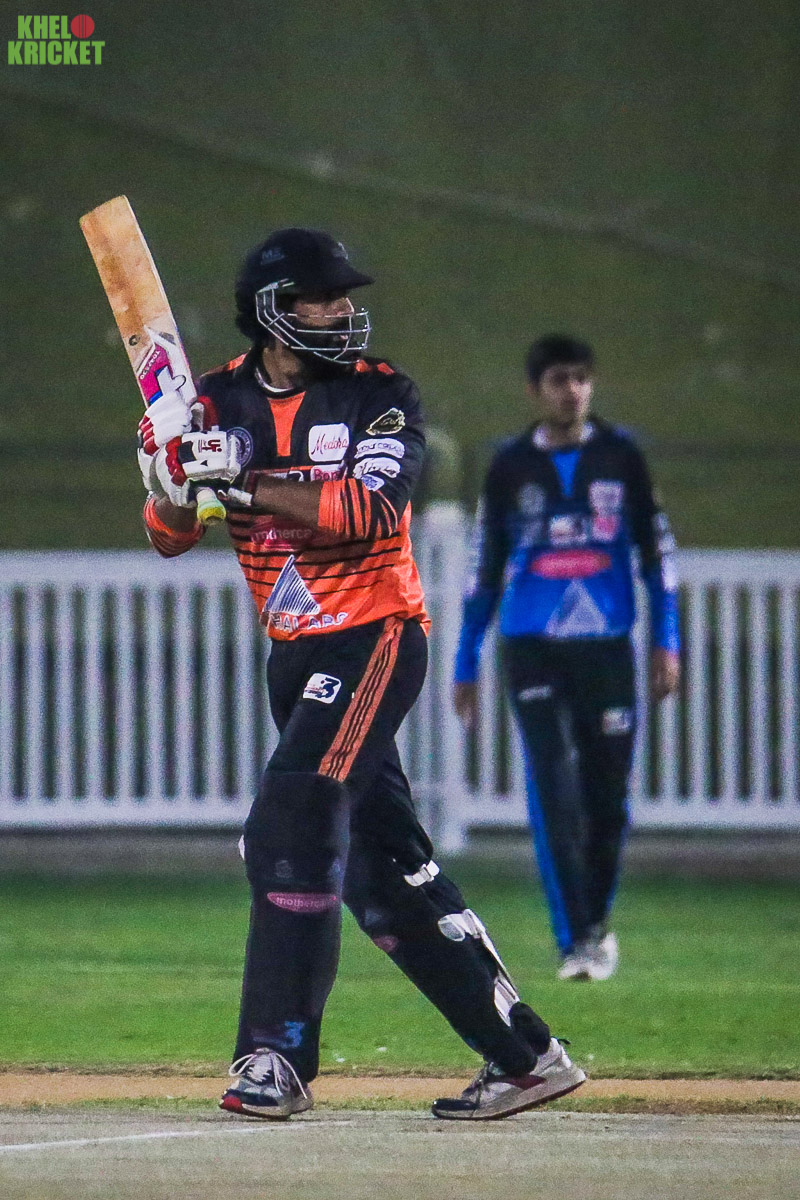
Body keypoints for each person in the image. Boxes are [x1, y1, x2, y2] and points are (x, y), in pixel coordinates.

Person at [136, 231, 585, 1120]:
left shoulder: (381, 394)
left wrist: (242, 479)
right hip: (294, 654)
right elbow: (171, 535)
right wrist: (169, 475)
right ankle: (526, 1056)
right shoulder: (216, 401)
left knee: (291, 820)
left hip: (374, 638)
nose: (344, 311)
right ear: (274, 311)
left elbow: (372, 510)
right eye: (325, 298)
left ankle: (275, 1058)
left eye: (345, 297)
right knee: (385, 875)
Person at [453, 335, 680, 981]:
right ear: (536, 390)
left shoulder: (622, 457)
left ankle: (594, 924)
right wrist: (466, 660)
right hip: (531, 647)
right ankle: (573, 942)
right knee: (553, 789)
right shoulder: (509, 467)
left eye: (581, 378)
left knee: (608, 801)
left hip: (606, 647)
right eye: (559, 380)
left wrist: (668, 641)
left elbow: (657, 556)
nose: (572, 391)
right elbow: (484, 568)